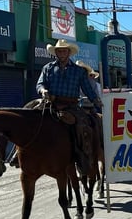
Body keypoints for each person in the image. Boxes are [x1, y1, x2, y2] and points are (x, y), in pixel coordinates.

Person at [36, 39, 103, 175]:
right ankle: (17, 155)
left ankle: (82, 157)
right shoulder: (48, 68)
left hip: (71, 105)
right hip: (51, 103)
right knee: (29, 117)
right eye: (59, 51)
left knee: (82, 126)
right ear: (55, 53)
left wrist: (96, 101)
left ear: (69, 53)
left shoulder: (78, 71)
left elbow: (87, 89)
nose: (61, 53)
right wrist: (43, 91)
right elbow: (40, 84)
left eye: (64, 51)